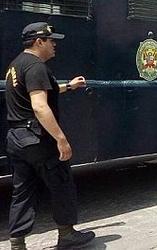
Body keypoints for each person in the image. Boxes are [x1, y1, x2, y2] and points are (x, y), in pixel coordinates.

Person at [5, 22, 95, 250]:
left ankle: (17, 243)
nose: (54, 44)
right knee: (62, 184)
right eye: (51, 40)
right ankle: (66, 234)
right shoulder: (36, 67)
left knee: (22, 191)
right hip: (38, 139)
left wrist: (68, 86)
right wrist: (61, 139)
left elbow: (37, 92)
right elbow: (39, 106)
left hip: (17, 138)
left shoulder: (16, 65)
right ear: (39, 42)